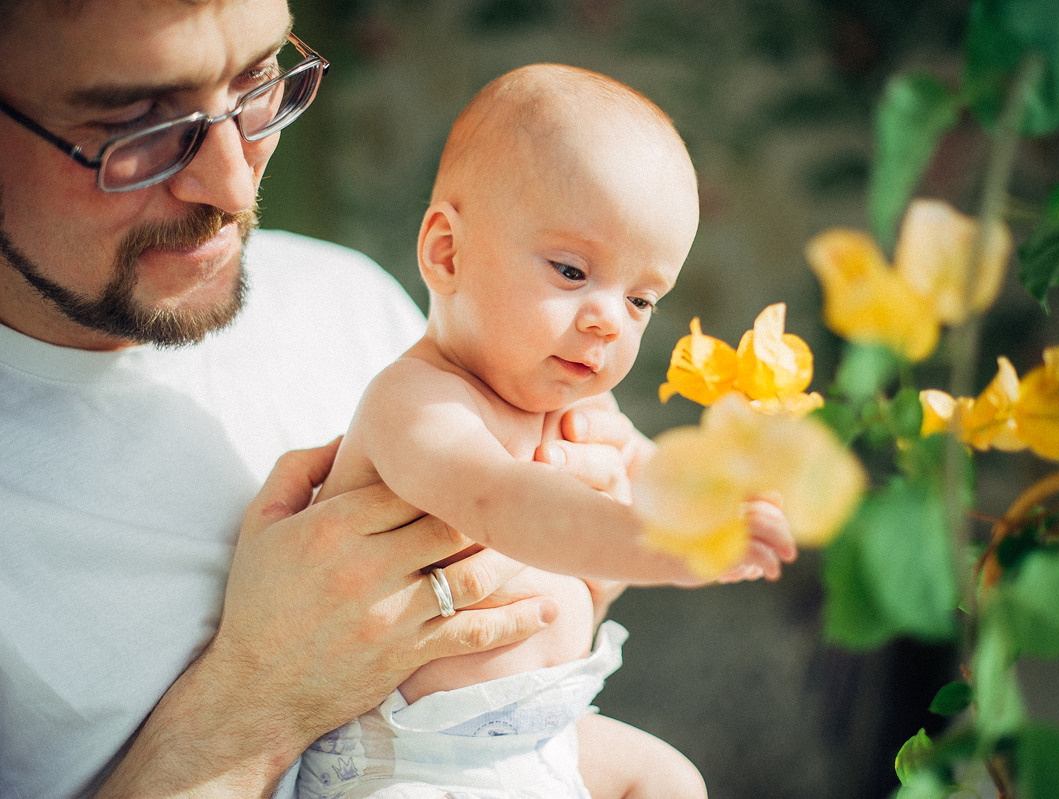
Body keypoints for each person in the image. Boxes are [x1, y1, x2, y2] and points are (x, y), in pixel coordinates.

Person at [0, 2, 670, 797]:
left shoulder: (341, 296)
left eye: (257, 81)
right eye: (139, 126)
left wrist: (583, 557)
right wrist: (256, 698)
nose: (232, 178)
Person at [295, 64, 797, 799]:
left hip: (542, 737)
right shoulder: (417, 404)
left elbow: (644, 466)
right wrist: (663, 546)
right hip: (409, 763)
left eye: (641, 298)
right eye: (571, 270)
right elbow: (507, 502)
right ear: (447, 253)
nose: (607, 319)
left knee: (672, 781)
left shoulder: (578, 411)